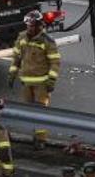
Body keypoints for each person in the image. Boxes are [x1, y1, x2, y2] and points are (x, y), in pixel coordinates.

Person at [8, 10, 61, 149]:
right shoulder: (22, 38)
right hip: (26, 82)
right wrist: (12, 73)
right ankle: (33, 135)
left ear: (39, 25)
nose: (29, 28)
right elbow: (16, 57)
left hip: (41, 84)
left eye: (32, 25)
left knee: (41, 113)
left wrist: (51, 79)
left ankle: (40, 139)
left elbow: (55, 62)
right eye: (28, 25)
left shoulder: (47, 41)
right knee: (29, 111)